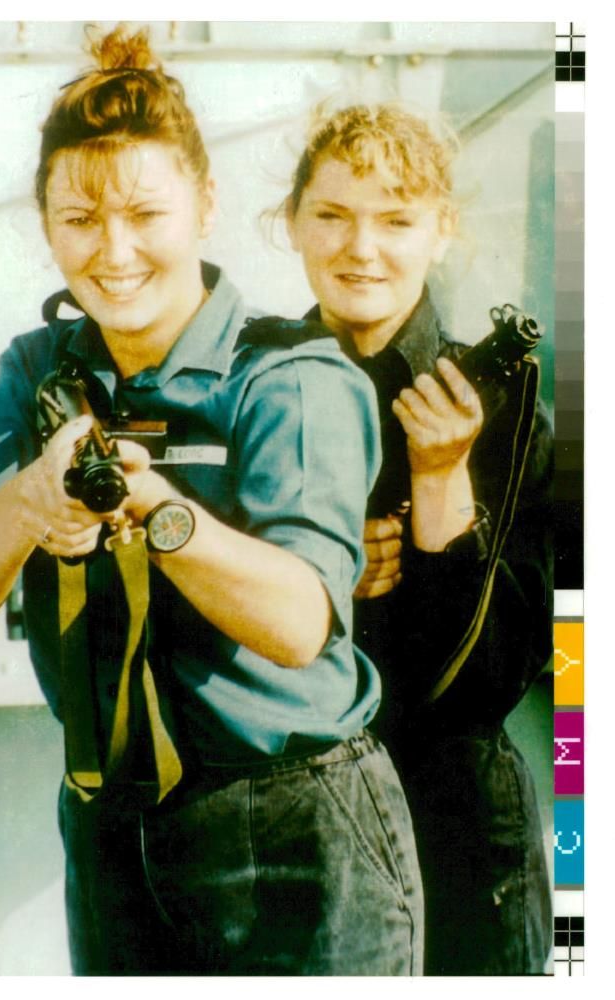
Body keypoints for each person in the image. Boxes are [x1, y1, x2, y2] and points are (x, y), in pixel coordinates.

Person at [0, 30, 424, 976]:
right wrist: (26, 504)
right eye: (79, 219)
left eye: (145, 212)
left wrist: (153, 509)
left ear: (206, 205)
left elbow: (302, 622)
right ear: (46, 227)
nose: (115, 250)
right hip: (106, 819)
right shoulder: (34, 370)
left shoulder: (290, 378)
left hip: (296, 826)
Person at [285, 104, 553, 975]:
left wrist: (442, 483)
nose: (361, 248)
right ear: (291, 225)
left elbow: (495, 683)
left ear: (441, 232)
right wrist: (321, 569)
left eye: (396, 220)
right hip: (296, 823)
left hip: (459, 828)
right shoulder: (252, 386)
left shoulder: (510, 407)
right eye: (331, 215)